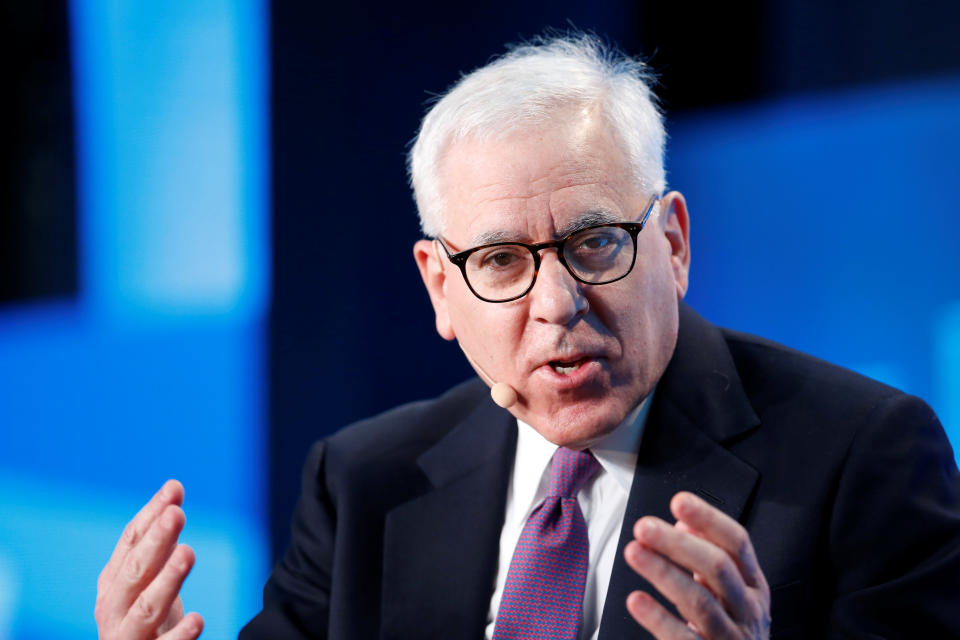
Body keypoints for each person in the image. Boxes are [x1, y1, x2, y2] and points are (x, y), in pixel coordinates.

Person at [95, 35, 960, 640]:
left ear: (673, 243)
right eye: (503, 261)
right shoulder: (364, 482)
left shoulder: (865, 458)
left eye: (594, 244)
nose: (557, 304)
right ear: (441, 287)